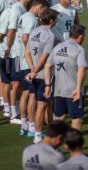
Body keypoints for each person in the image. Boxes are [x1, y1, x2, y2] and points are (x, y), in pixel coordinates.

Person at [44, 24, 88, 130]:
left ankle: (51, 144)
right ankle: (73, 146)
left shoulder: (58, 47)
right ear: (80, 37)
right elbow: (82, 69)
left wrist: (48, 86)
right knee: (76, 120)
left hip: (58, 90)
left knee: (59, 117)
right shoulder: (79, 50)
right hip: (73, 92)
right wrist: (78, 89)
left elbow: (47, 65)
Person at [16, 0, 48, 137]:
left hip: (22, 61)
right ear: (39, 6)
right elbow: (25, 38)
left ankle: (24, 125)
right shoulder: (31, 19)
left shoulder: (23, 16)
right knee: (33, 95)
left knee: (25, 93)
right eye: (44, 10)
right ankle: (31, 127)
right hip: (30, 63)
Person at [25, 8, 58, 144]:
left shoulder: (34, 32)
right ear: (51, 21)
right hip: (44, 76)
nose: (56, 21)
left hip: (34, 75)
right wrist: (36, 71)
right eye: (55, 19)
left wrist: (32, 69)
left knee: (43, 105)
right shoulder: (50, 35)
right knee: (42, 106)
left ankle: (40, 133)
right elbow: (44, 58)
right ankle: (38, 136)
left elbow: (26, 53)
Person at [6, 0, 35, 124]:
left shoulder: (23, 8)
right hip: (17, 51)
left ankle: (17, 111)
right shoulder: (17, 9)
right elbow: (11, 30)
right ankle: (13, 114)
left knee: (20, 84)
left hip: (20, 50)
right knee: (16, 83)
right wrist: (8, 48)